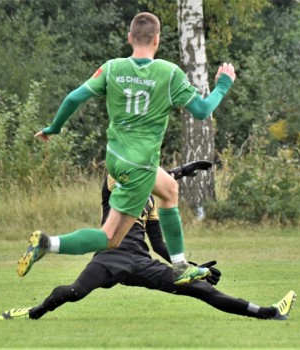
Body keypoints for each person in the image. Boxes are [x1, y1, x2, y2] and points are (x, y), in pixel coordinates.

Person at [19, 12, 236, 284]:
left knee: (169, 189)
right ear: (157, 39)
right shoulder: (169, 74)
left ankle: (180, 264)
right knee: (110, 238)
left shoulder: (112, 68)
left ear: (130, 37)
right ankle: (48, 244)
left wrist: (54, 128)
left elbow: (74, 97)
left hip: (116, 159)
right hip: (141, 165)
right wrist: (223, 86)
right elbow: (203, 110)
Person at [0, 165, 296, 321]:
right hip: (109, 257)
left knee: (201, 289)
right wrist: (177, 171)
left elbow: (159, 244)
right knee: (74, 292)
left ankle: (268, 312)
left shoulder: (152, 201)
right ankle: (33, 312)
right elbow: (138, 174)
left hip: (141, 261)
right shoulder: (115, 177)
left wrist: (191, 267)